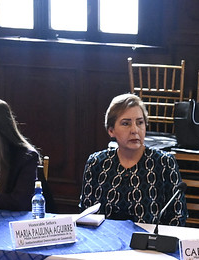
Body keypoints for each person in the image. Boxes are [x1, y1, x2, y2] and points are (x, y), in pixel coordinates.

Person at [78, 94, 185, 226]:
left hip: (150, 243)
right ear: (111, 130)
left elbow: (177, 217)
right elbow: (86, 215)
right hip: (106, 242)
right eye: (126, 124)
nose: (135, 130)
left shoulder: (164, 163)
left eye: (140, 123)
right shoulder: (96, 163)